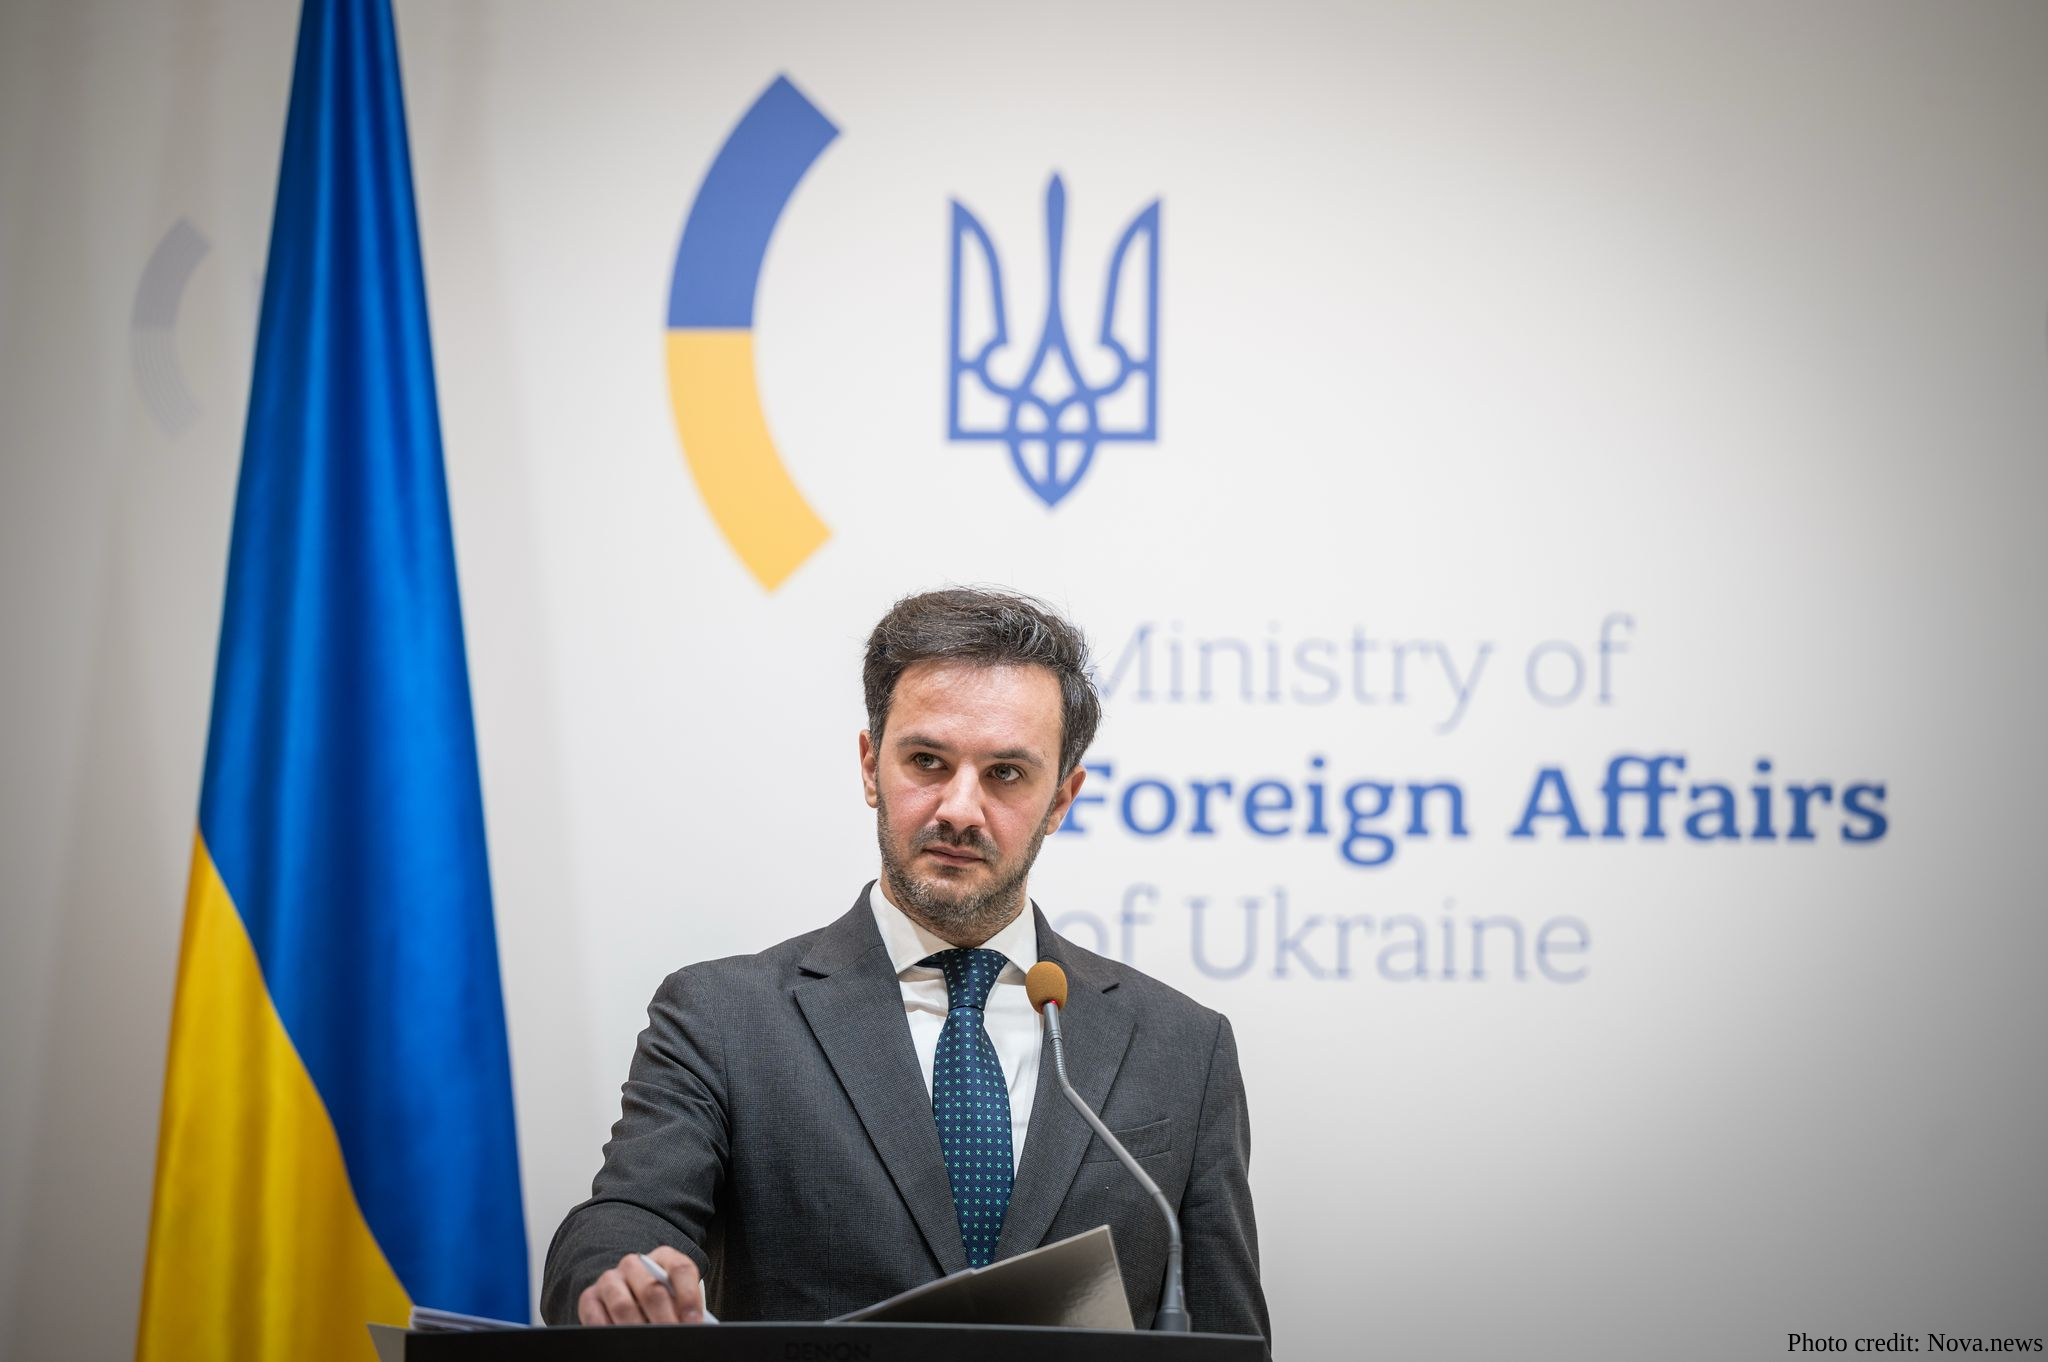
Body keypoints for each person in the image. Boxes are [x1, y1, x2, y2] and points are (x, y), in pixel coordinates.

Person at [541, 588, 1269, 1341]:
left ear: (1061, 799)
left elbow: (1227, 1327)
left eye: (1007, 775)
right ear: (870, 766)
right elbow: (626, 1217)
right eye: (927, 760)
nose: (959, 807)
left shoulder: (1183, 1046)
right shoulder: (724, 1017)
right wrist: (616, 1278)